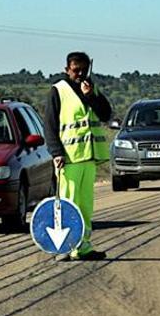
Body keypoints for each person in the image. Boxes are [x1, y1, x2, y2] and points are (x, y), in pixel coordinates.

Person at [43, 51, 112, 261]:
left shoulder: (91, 89)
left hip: (88, 158)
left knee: (85, 205)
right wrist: (56, 153)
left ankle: (82, 247)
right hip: (68, 160)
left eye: (83, 69)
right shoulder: (58, 91)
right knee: (68, 204)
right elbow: (50, 125)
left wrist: (91, 96)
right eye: (75, 70)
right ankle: (64, 248)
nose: (80, 73)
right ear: (67, 70)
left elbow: (106, 114)